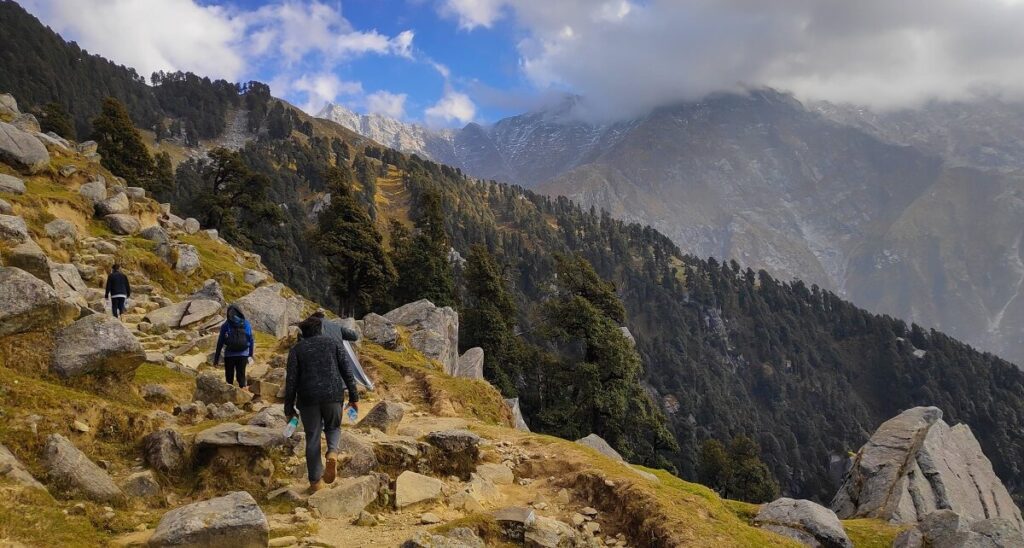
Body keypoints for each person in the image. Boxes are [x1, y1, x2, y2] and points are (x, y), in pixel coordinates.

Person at [284, 315, 359, 493]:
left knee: (313, 437)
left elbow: (291, 381)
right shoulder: (333, 344)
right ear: (320, 329)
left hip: (308, 399)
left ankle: (315, 482)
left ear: (304, 332)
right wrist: (354, 398)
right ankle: (332, 452)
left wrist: (289, 409)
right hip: (333, 395)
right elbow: (347, 372)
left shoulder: (296, 350)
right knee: (333, 427)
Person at [213, 304, 255, 391]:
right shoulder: (246, 323)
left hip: (229, 355)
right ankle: (244, 397)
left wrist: (216, 359)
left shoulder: (225, 325)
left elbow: (220, 342)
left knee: (229, 378)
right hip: (243, 354)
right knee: (241, 377)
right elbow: (251, 340)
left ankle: (229, 399)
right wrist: (250, 355)